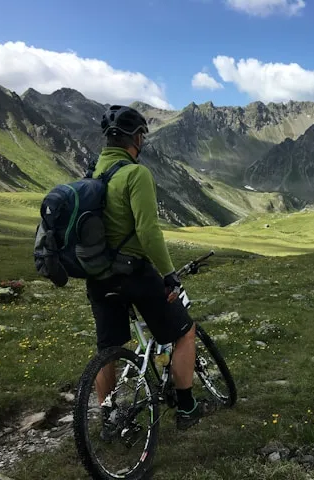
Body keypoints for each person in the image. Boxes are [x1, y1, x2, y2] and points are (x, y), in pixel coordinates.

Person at [86, 104, 213, 433]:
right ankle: (186, 408)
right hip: (134, 274)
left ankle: (110, 421)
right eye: (141, 134)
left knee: (109, 350)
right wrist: (169, 275)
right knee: (184, 333)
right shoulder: (135, 174)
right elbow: (148, 232)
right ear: (134, 138)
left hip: (97, 276)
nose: (142, 140)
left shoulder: (93, 176)